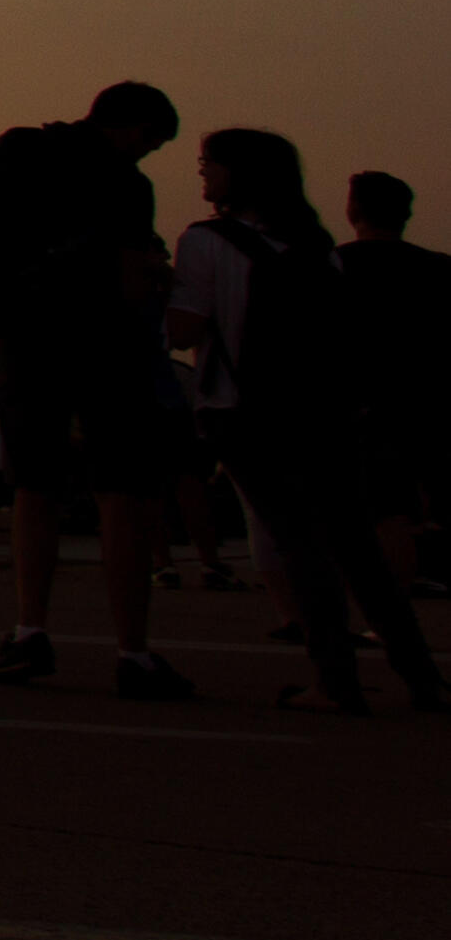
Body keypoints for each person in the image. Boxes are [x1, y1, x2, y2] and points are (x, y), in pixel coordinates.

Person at [172, 131, 441, 715]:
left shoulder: (206, 242)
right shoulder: (317, 246)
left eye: (207, 165)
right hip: (323, 415)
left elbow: (184, 330)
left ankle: (335, 680)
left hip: (243, 413)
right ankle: (422, 676)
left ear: (235, 174)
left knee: (300, 549)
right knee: (358, 549)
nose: (202, 176)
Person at [0, 81, 193, 699]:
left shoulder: (18, 148)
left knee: (34, 488)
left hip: (25, 337)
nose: (148, 154)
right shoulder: (126, 185)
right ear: (135, 129)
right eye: (152, 142)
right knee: (122, 495)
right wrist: (161, 283)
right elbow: (134, 286)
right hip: (106, 345)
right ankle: (132, 651)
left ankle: (29, 630)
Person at [338, 173, 447, 588]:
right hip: (428, 401)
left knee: (383, 508)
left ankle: (394, 593)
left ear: (353, 211)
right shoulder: (439, 268)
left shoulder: (334, 268)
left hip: (362, 404)